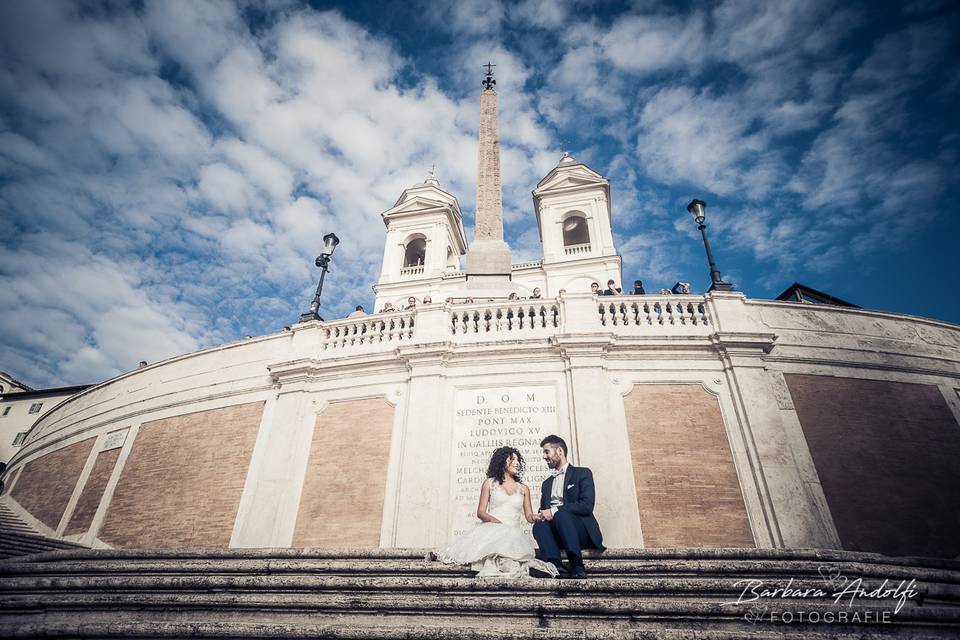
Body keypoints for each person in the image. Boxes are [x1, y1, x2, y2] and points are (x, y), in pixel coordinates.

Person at [437, 447, 559, 579]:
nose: (517, 463)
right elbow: (481, 512)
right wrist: (496, 522)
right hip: (493, 528)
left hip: (513, 533)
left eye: (518, 460)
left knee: (510, 554)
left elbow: (529, 516)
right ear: (501, 461)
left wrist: (535, 517)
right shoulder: (489, 483)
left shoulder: (524, 488)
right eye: (513, 459)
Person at [532, 435, 604, 579]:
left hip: (580, 533)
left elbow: (587, 505)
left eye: (547, 452)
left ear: (559, 451)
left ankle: (577, 565)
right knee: (538, 526)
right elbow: (544, 509)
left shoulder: (582, 473)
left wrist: (554, 511)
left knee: (561, 514)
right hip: (557, 534)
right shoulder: (546, 484)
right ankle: (556, 566)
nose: (544, 456)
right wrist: (540, 515)